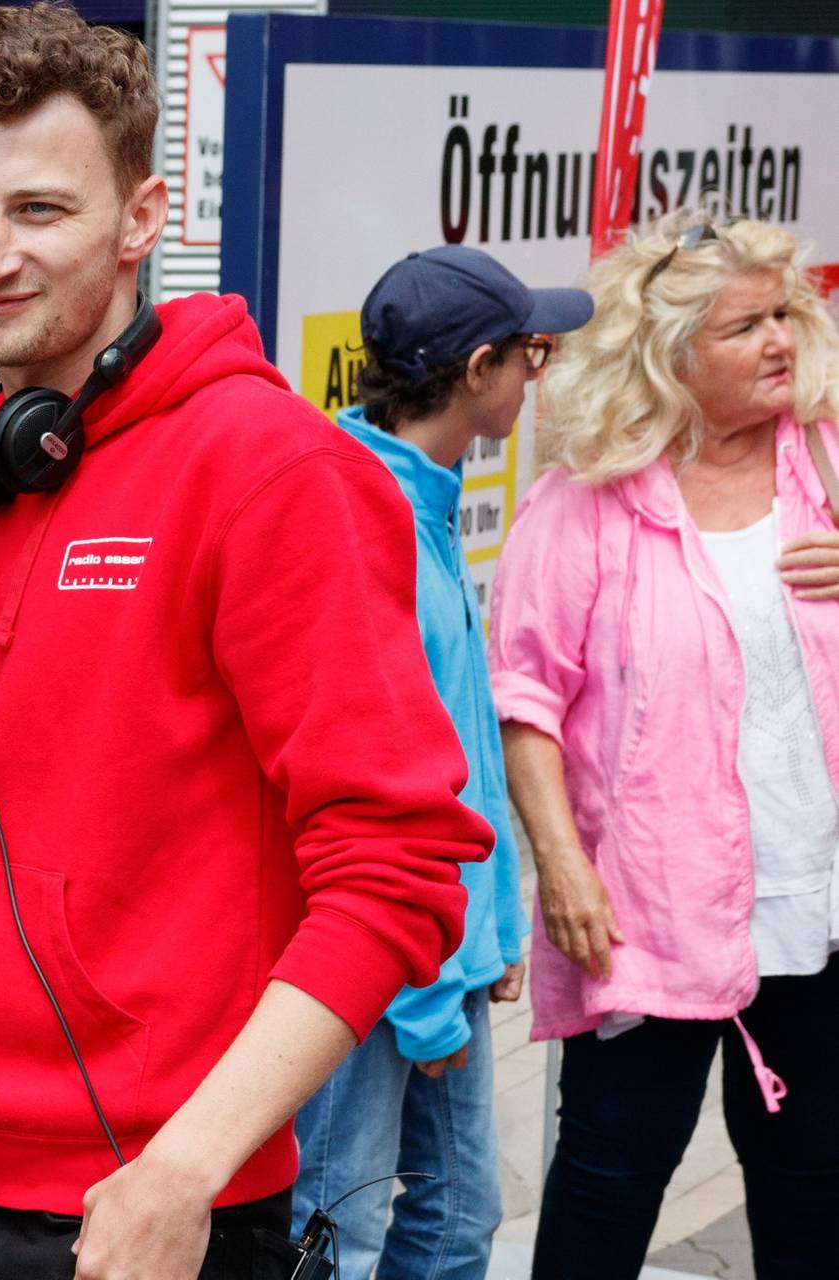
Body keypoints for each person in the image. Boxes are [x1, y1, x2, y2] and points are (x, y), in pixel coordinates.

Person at [0, 7, 489, 1278]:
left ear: (141, 217)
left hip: (145, 1199)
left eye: (41, 210)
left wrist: (188, 1167)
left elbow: (395, 871)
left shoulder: (272, 474)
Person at [493, 211, 839, 1280]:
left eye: (785, 314)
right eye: (746, 326)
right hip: (645, 908)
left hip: (816, 898)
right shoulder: (586, 499)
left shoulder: (827, 459)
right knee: (608, 1178)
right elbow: (526, 697)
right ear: (670, 353)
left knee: (812, 1185)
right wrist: (561, 865)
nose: (781, 340)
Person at [290, 246, 587, 1280]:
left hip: (439, 959)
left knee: (459, 1223)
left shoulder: (420, 497)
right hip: (382, 970)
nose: (534, 377)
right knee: (337, 1233)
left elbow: (462, 745)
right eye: (531, 354)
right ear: (477, 370)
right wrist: (423, 994)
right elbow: (383, 781)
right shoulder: (369, 522)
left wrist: (491, 925)